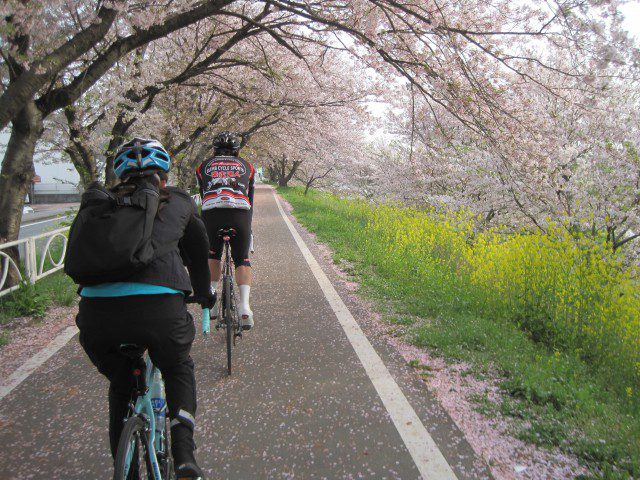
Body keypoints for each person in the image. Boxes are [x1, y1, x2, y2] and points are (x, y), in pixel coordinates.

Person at [74, 138, 214, 479]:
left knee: (121, 387)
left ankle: (127, 471)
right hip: (160, 311)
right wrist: (204, 294)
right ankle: (183, 454)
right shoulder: (178, 201)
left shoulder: (98, 206)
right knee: (178, 366)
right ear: (163, 176)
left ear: (119, 176)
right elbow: (198, 251)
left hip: (96, 316)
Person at [196, 131, 255, 329]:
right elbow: (250, 198)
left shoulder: (202, 166)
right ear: (237, 151)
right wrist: (248, 228)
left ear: (214, 150)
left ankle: (212, 305)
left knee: (212, 255)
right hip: (239, 215)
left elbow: (204, 194)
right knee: (242, 259)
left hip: (212, 216)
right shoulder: (248, 166)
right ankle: (245, 306)